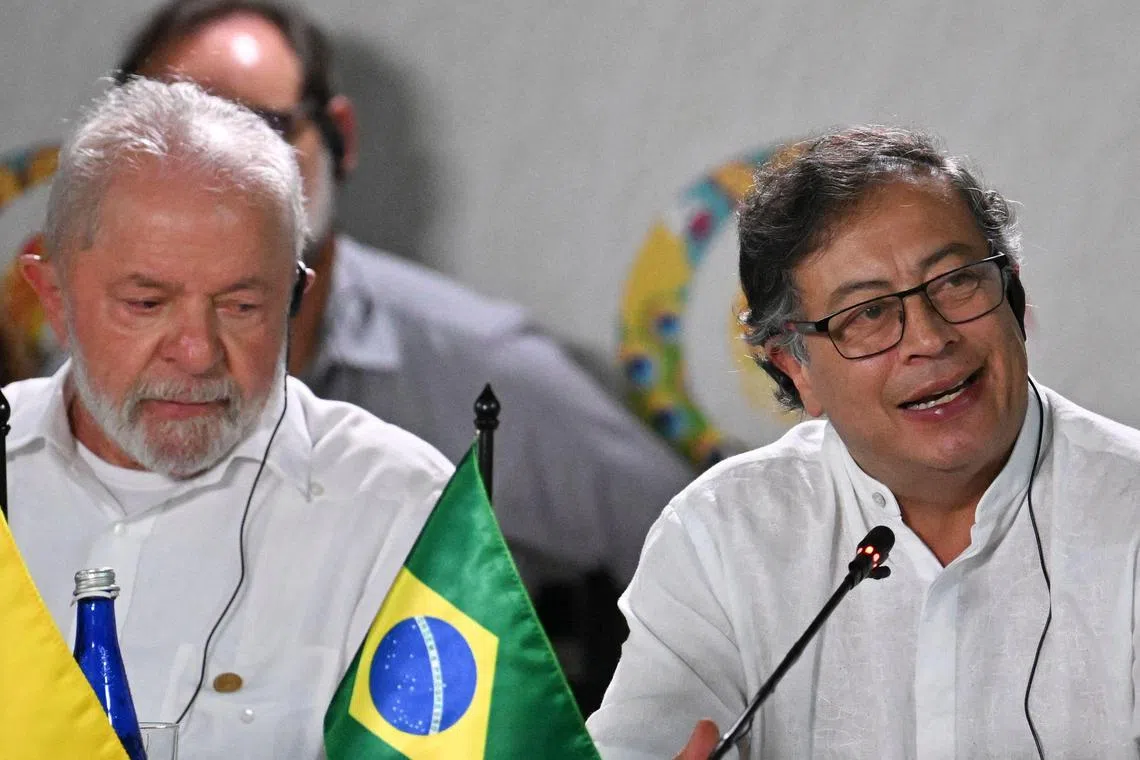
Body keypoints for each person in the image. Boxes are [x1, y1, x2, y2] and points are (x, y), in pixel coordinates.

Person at [587, 126, 1140, 758]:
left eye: (957, 281)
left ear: (1011, 295)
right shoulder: (721, 534)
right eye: (868, 313)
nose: (928, 339)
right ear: (794, 367)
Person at [114, 0, 694, 597]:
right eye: (177, 135)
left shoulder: (482, 370)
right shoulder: (84, 373)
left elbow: (717, 577)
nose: (224, 169)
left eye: (265, 127)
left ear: (340, 136)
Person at [5, 77, 453, 759]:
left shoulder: (397, 507)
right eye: (147, 304)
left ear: (295, 299)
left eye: (241, 307)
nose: (197, 352)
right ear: (54, 299)